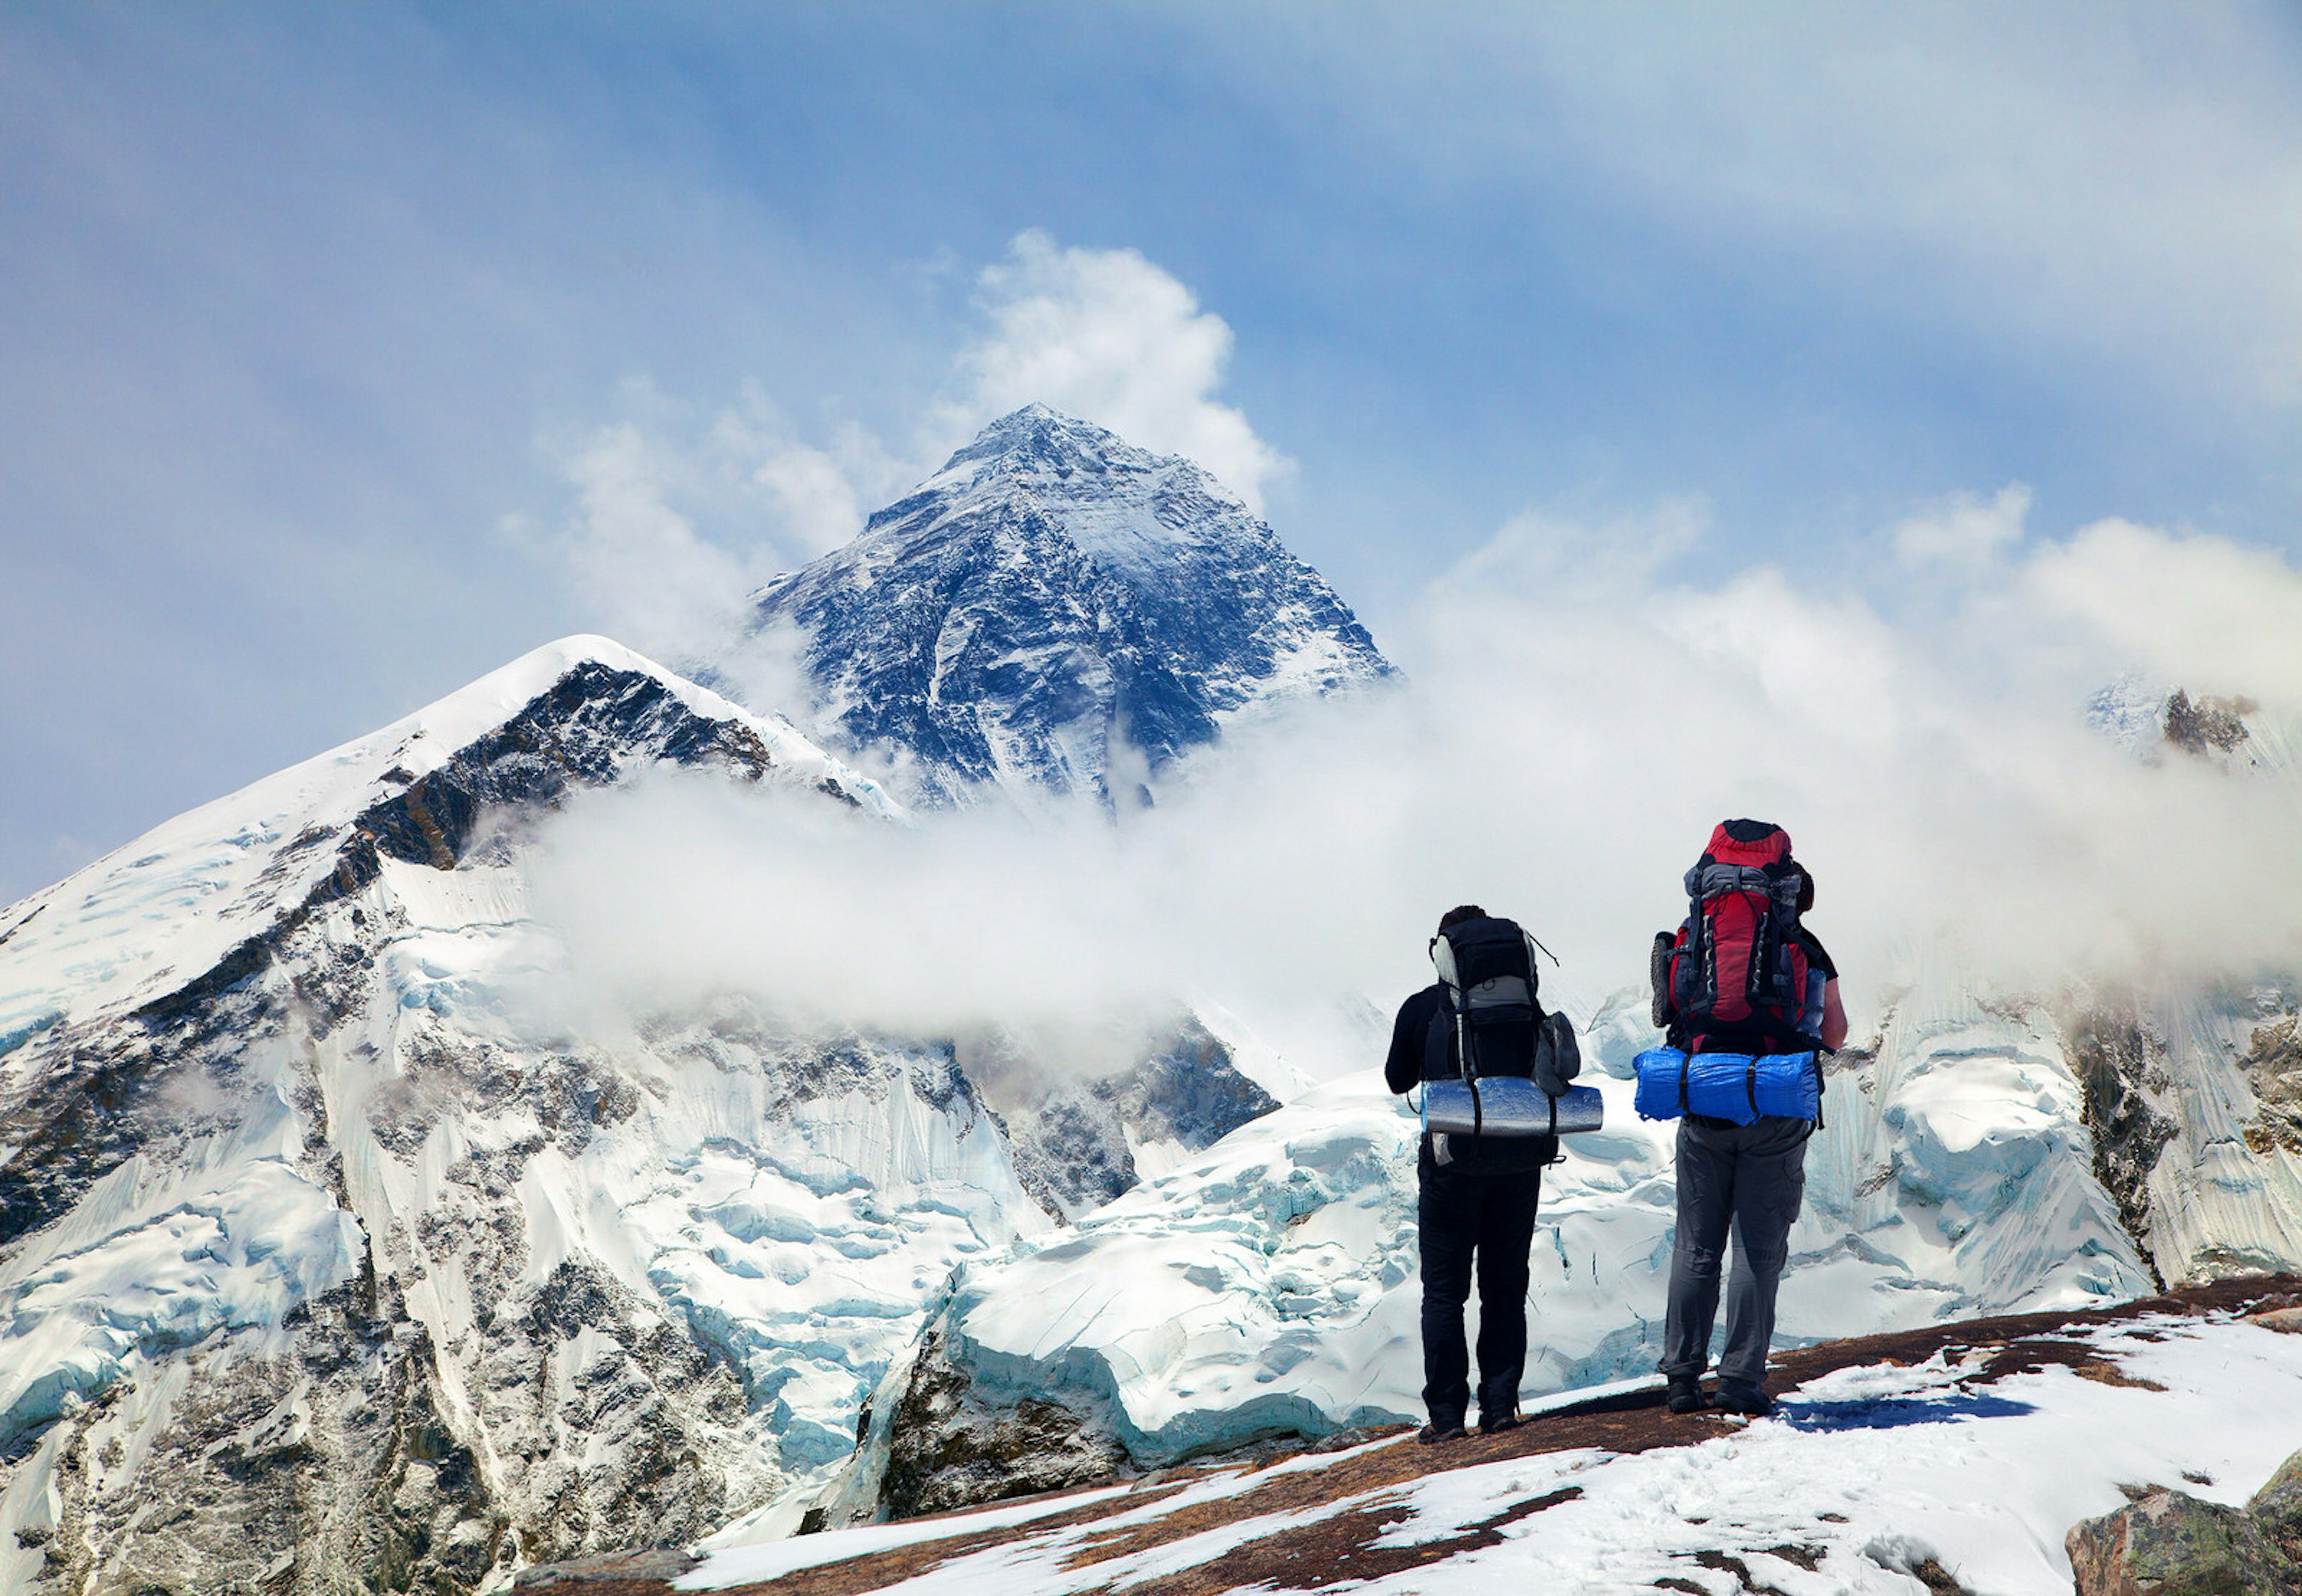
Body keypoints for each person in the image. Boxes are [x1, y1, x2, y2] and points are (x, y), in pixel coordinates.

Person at [1652, 820, 1847, 1418]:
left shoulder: (1690, 939)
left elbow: (1669, 1012)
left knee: (1695, 1244)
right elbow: (1835, 1034)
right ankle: (1740, 1379)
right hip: (1774, 1105)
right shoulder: (1806, 947)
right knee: (1757, 1250)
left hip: (1705, 1101)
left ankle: (1683, 1378)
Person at [1384, 904, 1556, 1443]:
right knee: (1505, 1287)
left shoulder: (1422, 1008)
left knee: (1444, 1293)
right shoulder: (1524, 1005)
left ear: (1444, 951)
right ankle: (1501, 1407)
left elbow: (1396, 1080)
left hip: (1450, 1165)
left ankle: (1446, 1420)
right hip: (1518, 1161)